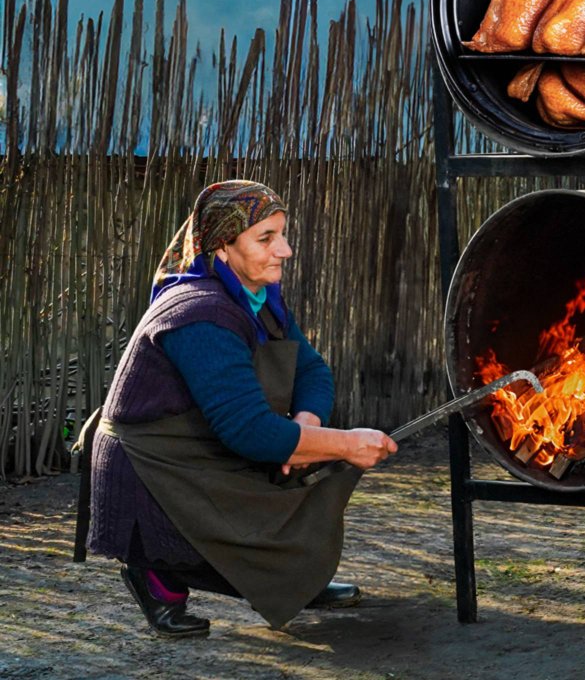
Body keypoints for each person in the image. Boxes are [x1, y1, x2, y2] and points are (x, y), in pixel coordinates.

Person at [80, 180, 397, 637]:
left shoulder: (260, 300)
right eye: (266, 238)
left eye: (283, 234)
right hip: (153, 468)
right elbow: (250, 434)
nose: (285, 250)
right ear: (223, 249)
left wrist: (306, 428)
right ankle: (157, 576)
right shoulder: (199, 313)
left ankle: (294, 581)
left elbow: (313, 373)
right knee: (284, 473)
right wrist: (344, 444)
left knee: (302, 467)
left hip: (202, 445)